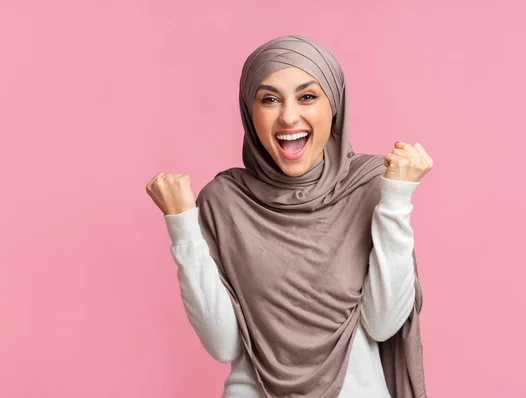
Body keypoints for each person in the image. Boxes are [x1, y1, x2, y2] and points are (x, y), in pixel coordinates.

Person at [146, 35, 433, 398]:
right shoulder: (225, 201)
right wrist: (183, 225)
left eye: (308, 96)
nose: (288, 116)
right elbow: (223, 345)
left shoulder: (372, 185)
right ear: (250, 113)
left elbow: (383, 323)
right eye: (269, 99)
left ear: (335, 105)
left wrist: (395, 200)